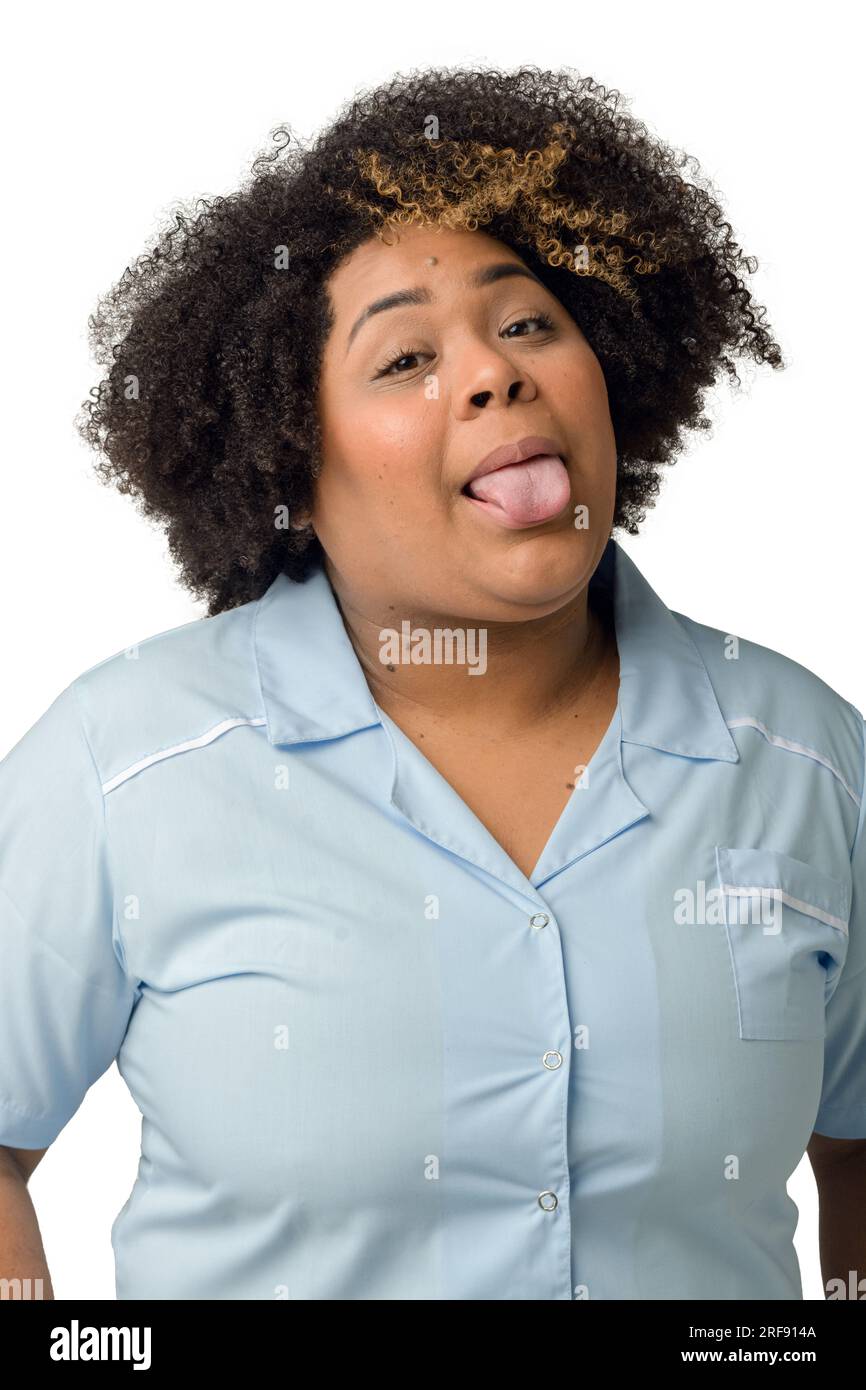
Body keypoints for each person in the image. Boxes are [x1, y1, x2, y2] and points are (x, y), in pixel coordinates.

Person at [1, 65, 863, 1302]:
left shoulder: (802, 754)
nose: (491, 375)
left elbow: (852, 1141)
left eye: (525, 325)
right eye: (403, 357)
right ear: (288, 457)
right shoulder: (123, 761)